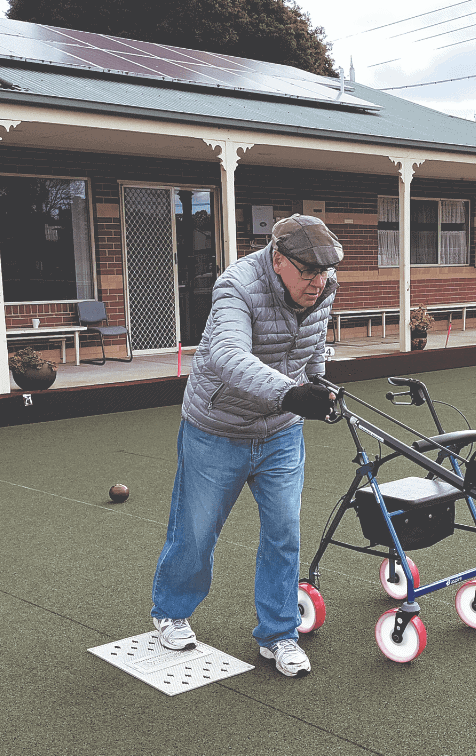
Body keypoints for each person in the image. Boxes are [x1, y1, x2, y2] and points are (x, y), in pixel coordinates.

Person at [150, 214, 342, 678]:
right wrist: (290, 393)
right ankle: (171, 611)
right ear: (279, 260)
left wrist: (317, 385)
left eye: (324, 273)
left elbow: (314, 347)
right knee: (196, 531)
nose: (318, 283)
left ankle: (278, 635)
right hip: (217, 427)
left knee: (284, 531)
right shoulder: (235, 285)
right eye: (309, 273)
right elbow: (228, 355)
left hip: (280, 431)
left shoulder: (324, 286)